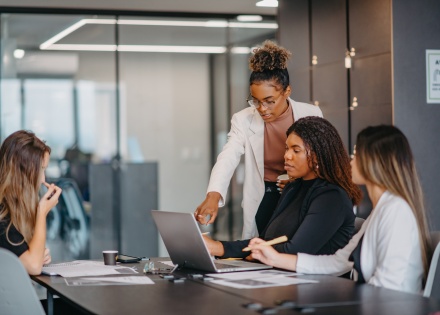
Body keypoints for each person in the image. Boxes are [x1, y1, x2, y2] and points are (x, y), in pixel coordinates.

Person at [249, 125, 431, 294]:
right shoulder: (381, 211)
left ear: (373, 162)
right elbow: (338, 262)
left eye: (356, 154)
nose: (351, 161)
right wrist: (273, 258)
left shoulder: (396, 212)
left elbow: (389, 288)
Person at [195, 40, 323, 239]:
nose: (262, 109)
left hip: (301, 192)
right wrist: (214, 194)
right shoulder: (243, 119)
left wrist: (300, 177)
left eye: (269, 101)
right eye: (256, 101)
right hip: (266, 194)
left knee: (297, 245)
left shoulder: (311, 114)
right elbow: (228, 157)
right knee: (260, 247)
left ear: (287, 91)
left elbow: (323, 159)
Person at [203, 116, 362, 258]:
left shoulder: (331, 197)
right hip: (280, 277)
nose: (286, 155)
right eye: (287, 148)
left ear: (318, 155)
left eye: (296, 150)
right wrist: (218, 247)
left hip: (317, 285)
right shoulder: (292, 188)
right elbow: (265, 241)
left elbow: (297, 251)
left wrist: (257, 252)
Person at [0, 130, 62, 275]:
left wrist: (38, 253)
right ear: (23, 172)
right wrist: (42, 212)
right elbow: (34, 267)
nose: (43, 179)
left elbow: (30, 260)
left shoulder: (14, 209)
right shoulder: (2, 216)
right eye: (40, 170)